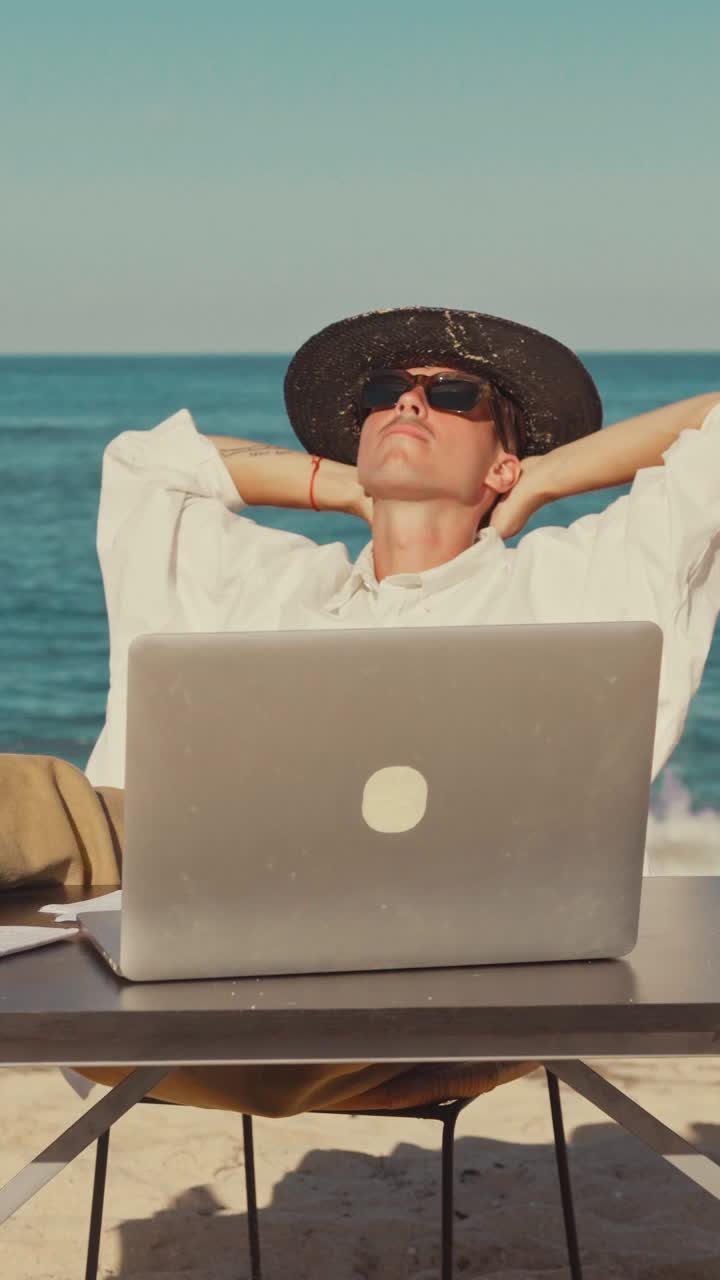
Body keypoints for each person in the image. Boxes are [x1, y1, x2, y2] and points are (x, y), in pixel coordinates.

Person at [3, 305, 720, 1117]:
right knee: (24, 802)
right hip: (206, 933)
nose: (408, 404)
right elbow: (143, 467)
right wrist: (350, 487)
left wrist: (548, 476)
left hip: (457, 964)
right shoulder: (271, 586)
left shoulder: (575, 582)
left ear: (503, 464)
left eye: (453, 395)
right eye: (386, 393)